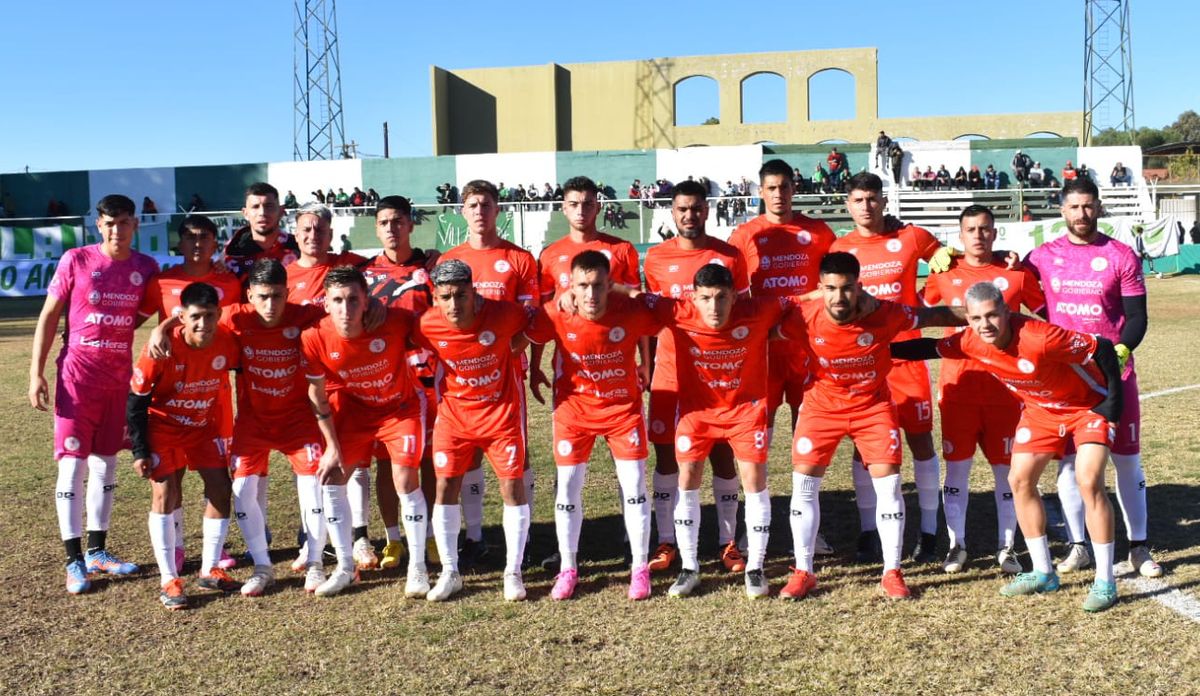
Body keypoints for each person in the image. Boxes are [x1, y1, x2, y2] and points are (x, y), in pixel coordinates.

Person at [892, 281, 1125, 612]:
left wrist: (1111, 410)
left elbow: (1100, 347)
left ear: (1007, 311)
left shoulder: (1039, 336)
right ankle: (1043, 571)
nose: (985, 325)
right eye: (975, 318)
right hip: (1040, 413)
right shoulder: (971, 341)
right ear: (967, 319)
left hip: (1085, 408)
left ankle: (1105, 580)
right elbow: (930, 348)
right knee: (1019, 480)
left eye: (992, 315)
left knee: (1088, 481)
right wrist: (878, 348)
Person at [783, 251, 966, 601]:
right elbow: (758, 315)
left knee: (889, 485)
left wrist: (984, 314)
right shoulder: (803, 316)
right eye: (830, 289)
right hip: (821, 408)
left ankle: (891, 572)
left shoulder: (884, 313)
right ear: (819, 289)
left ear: (859, 287)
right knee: (803, 485)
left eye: (848, 288)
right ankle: (804, 572)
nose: (839, 297)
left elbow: (935, 314)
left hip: (873, 407)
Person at [1025, 177, 1161, 579]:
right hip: (1066, 380)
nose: (1081, 214)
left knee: (1127, 460)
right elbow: (1010, 281)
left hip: (1114, 376)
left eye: (1088, 206)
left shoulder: (1120, 255)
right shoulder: (1041, 257)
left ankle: (1138, 546)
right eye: (1073, 207)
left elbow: (1137, 317)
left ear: (1098, 208)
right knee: (1068, 464)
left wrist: (1121, 350)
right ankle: (1078, 544)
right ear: (1062, 210)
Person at [28, 194, 161, 594]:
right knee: (72, 466)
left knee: (106, 463)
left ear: (135, 225)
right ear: (98, 226)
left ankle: (97, 551)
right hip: (76, 379)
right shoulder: (76, 260)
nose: (117, 230)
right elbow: (49, 315)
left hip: (117, 382)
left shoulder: (145, 267)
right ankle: (73, 560)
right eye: (109, 223)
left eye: (124, 222)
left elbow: (148, 312)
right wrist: (36, 374)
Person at [830, 173, 954, 564]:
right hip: (863, 360)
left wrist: (1000, 260)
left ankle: (930, 533)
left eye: (872, 198)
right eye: (858, 199)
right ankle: (868, 531)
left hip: (907, 359)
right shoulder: (840, 247)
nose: (866, 206)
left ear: (884, 201)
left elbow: (950, 260)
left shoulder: (912, 237)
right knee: (863, 448)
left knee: (920, 442)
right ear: (848, 205)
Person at [524, 251, 661, 600]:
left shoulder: (629, 308)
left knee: (634, 488)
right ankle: (568, 568)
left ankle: (640, 568)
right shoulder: (557, 310)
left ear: (608, 284)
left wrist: (627, 294)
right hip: (574, 413)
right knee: (568, 489)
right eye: (583, 285)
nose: (590, 294)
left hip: (622, 411)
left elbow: (664, 309)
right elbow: (527, 333)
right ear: (571, 284)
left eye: (598, 285)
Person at [920, 205, 1047, 574]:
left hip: (1007, 393)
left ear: (995, 233)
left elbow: (1046, 313)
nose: (978, 235)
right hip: (958, 390)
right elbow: (918, 311)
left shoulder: (1016, 275)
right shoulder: (943, 274)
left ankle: (1006, 548)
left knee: (1007, 473)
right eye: (971, 229)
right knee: (956, 470)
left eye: (985, 228)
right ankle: (956, 545)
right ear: (960, 235)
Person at [642, 180, 750, 576]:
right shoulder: (655, 259)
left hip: (718, 376)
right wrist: (647, 364)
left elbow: (743, 313)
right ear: (673, 212)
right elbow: (651, 317)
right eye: (682, 209)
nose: (690, 216)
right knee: (667, 456)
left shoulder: (730, 256)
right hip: (670, 373)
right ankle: (666, 540)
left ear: (707, 210)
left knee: (723, 454)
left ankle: (728, 542)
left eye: (696, 208)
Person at [301, 266, 429, 597]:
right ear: (325, 303)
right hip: (354, 413)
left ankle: (417, 567)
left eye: (354, 300)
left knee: (404, 481)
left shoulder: (395, 322)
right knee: (332, 476)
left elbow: (433, 328)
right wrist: (331, 446)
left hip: (399, 410)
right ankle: (346, 567)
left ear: (367, 299)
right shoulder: (313, 337)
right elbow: (317, 396)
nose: (347, 309)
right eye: (338, 301)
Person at [412, 260, 533, 601]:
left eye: (461, 295)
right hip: (454, 419)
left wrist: (517, 347)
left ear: (473, 292)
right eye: (445, 297)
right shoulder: (426, 324)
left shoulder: (504, 314)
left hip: (500, 416)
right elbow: (396, 334)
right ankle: (450, 572)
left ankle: (513, 572)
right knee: (446, 485)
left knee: (512, 485)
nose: (454, 305)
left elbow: (541, 322)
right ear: (435, 297)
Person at [439, 180, 539, 566]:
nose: (480, 211)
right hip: (461, 375)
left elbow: (529, 320)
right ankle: (476, 536)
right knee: (469, 455)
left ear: (498, 210)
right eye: (472, 205)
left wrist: (504, 353)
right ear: (463, 211)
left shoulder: (520, 260)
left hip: (508, 371)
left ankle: (524, 539)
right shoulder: (449, 260)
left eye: (486, 204)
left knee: (518, 455)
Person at [128, 282, 243, 609]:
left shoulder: (226, 342)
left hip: (204, 426)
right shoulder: (161, 348)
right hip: (164, 428)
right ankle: (169, 580)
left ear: (218, 314)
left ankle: (210, 569)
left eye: (209, 316)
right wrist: (139, 451)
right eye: (195, 317)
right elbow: (136, 402)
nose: (203, 324)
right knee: (167, 493)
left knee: (221, 489)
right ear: (183, 317)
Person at [138, 215, 243, 572]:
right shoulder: (162, 281)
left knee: (216, 477)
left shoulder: (229, 282)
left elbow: (237, 326)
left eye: (205, 237)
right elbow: (133, 320)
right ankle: (178, 547)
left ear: (216, 241)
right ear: (179, 242)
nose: (198, 243)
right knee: (173, 477)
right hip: (173, 391)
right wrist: (162, 328)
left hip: (213, 397)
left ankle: (217, 548)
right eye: (190, 237)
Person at [364, 195, 439, 569]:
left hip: (427, 379)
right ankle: (393, 539)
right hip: (383, 383)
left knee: (428, 461)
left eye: (398, 221)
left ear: (410, 225)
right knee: (386, 464)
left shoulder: (431, 269)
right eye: (384, 223)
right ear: (376, 228)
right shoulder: (365, 275)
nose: (391, 229)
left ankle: (428, 538)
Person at [223, 183, 298, 281]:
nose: (262, 213)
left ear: (281, 211)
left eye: (269, 206)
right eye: (255, 207)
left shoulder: (299, 248)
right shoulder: (231, 253)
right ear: (245, 213)